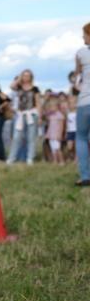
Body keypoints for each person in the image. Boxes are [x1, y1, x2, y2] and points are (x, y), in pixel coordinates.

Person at [6, 70, 41, 166]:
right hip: (20, 115)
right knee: (16, 137)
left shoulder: (35, 89)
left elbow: (38, 103)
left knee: (31, 137)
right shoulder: (18, 87)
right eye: (24, 75)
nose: (26, 77)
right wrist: (19, 79)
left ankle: (30, 158)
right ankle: (11, 158)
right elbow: (11, 86)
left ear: (31, 77)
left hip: (32, 114)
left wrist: (40, 116)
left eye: (28, 76)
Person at [74, 22, 90, 186]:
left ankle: (86, 176)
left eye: (85, 34)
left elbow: (75, 78)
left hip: (85, 101)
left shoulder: (80, 53)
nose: (83, 37)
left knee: (81, 137)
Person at [45, 98, 65, 165]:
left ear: (57, 107)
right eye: (50, 106)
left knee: (58, 148)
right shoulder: (51, 115)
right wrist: (48, 134)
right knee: (53, 149)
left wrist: (60, 134)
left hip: (57, 135)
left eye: (53, 106)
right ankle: (55, 161)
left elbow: (61, 126)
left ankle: (61, 161)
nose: (51, 108)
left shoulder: (59, 115)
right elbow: (50, 125)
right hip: (51, 135)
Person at [65, 96, 77, 162]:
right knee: (69, 146)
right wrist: (66, 132)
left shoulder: (78, 112)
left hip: (77, 131)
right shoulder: (68, 113)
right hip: (70, 132)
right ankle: (71, 156)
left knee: (76, 146)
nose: (72, 105)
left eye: (73, 103)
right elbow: (67, 123)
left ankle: (76, 158)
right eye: (70, 103)